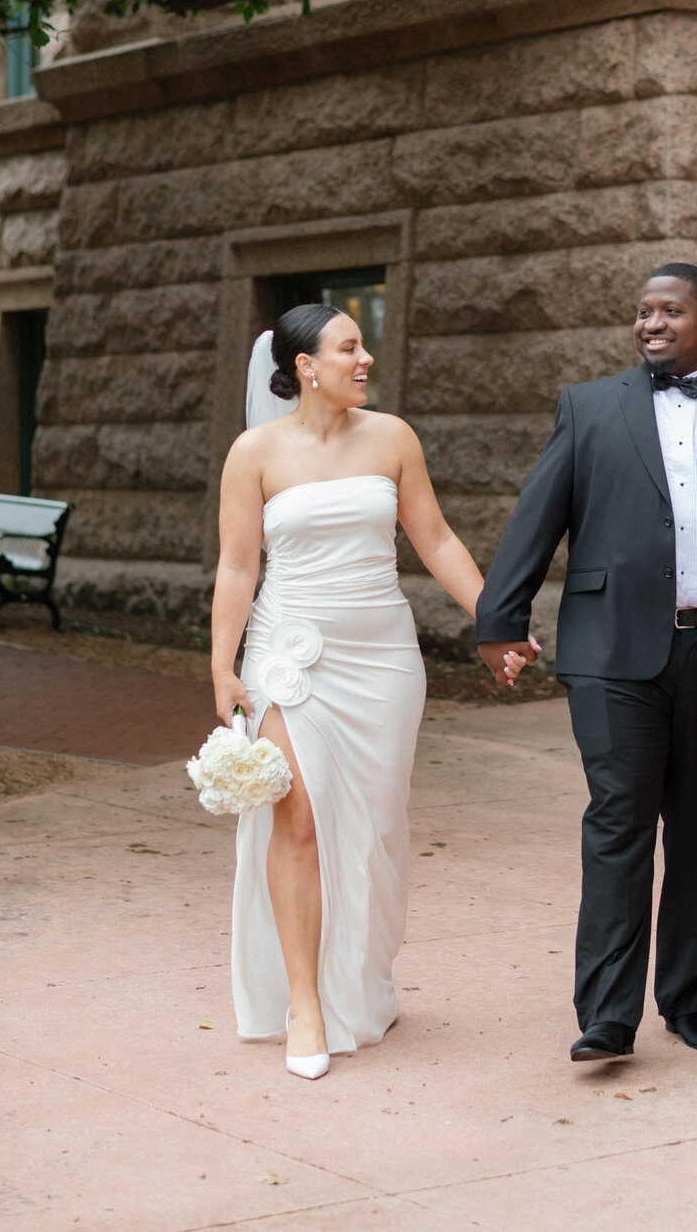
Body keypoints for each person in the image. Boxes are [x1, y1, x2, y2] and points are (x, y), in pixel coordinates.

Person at [475, 262, 697, 1062]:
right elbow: (539, 515)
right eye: (642, 311)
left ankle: (687, 998)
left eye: (670, 309)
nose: (651, 323)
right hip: (611, 649)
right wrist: (501, 618)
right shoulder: (590, 407)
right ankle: (606, 1013)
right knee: (618, 817)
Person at [211, 303, 484, 1079]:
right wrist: (222, 664)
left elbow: (433, 537)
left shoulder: (392, 438)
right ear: (305, 365)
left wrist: (492, 620)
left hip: (382, 659)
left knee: (375, 829)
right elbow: (238, 566)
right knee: (293, 820)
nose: (364, 359)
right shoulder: (253, 452)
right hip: (286, 654)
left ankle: (363, 981)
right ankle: (304, 1003)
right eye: (349, 347)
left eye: (362, 347)